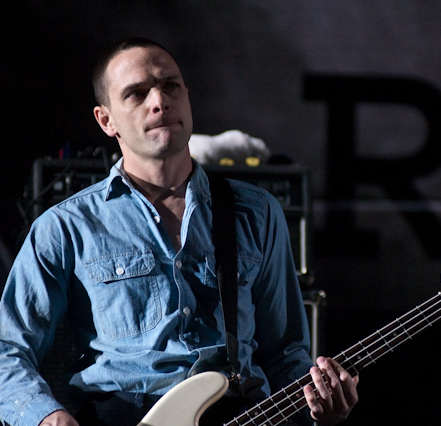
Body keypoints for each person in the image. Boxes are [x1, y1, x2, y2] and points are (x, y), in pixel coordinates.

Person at [0, 37, 358, 426]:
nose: (159, 101)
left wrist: (317, 410)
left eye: (170, 86)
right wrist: (46, 416)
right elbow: (7, 349)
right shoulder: (65, 226)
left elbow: (285, 355)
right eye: (137, 94)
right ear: (106, 121)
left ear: (187, 97)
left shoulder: (257, 212)